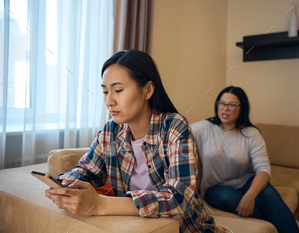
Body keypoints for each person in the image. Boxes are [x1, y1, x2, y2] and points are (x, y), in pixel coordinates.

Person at [44, 50, 227, 233]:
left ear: (147, 90)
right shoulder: (111, 130)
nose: (109, 101)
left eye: (118, 90)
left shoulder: (174, 127)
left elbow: (180, 200)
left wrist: (101, 204)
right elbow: (87, 170)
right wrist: (68, 184)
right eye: (105, 92)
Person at [190, 86, 299, 233]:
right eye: (222, 103)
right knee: (230, 198)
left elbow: (263, 169)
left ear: (242, 108)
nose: (225, 108)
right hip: (216, 188)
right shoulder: (205, 128)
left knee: (268, 194)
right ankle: (287, 223)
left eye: (232, 105)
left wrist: (250, 195)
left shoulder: (251, 134)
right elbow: (179, 132)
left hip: (246, 182)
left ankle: (288, 226)